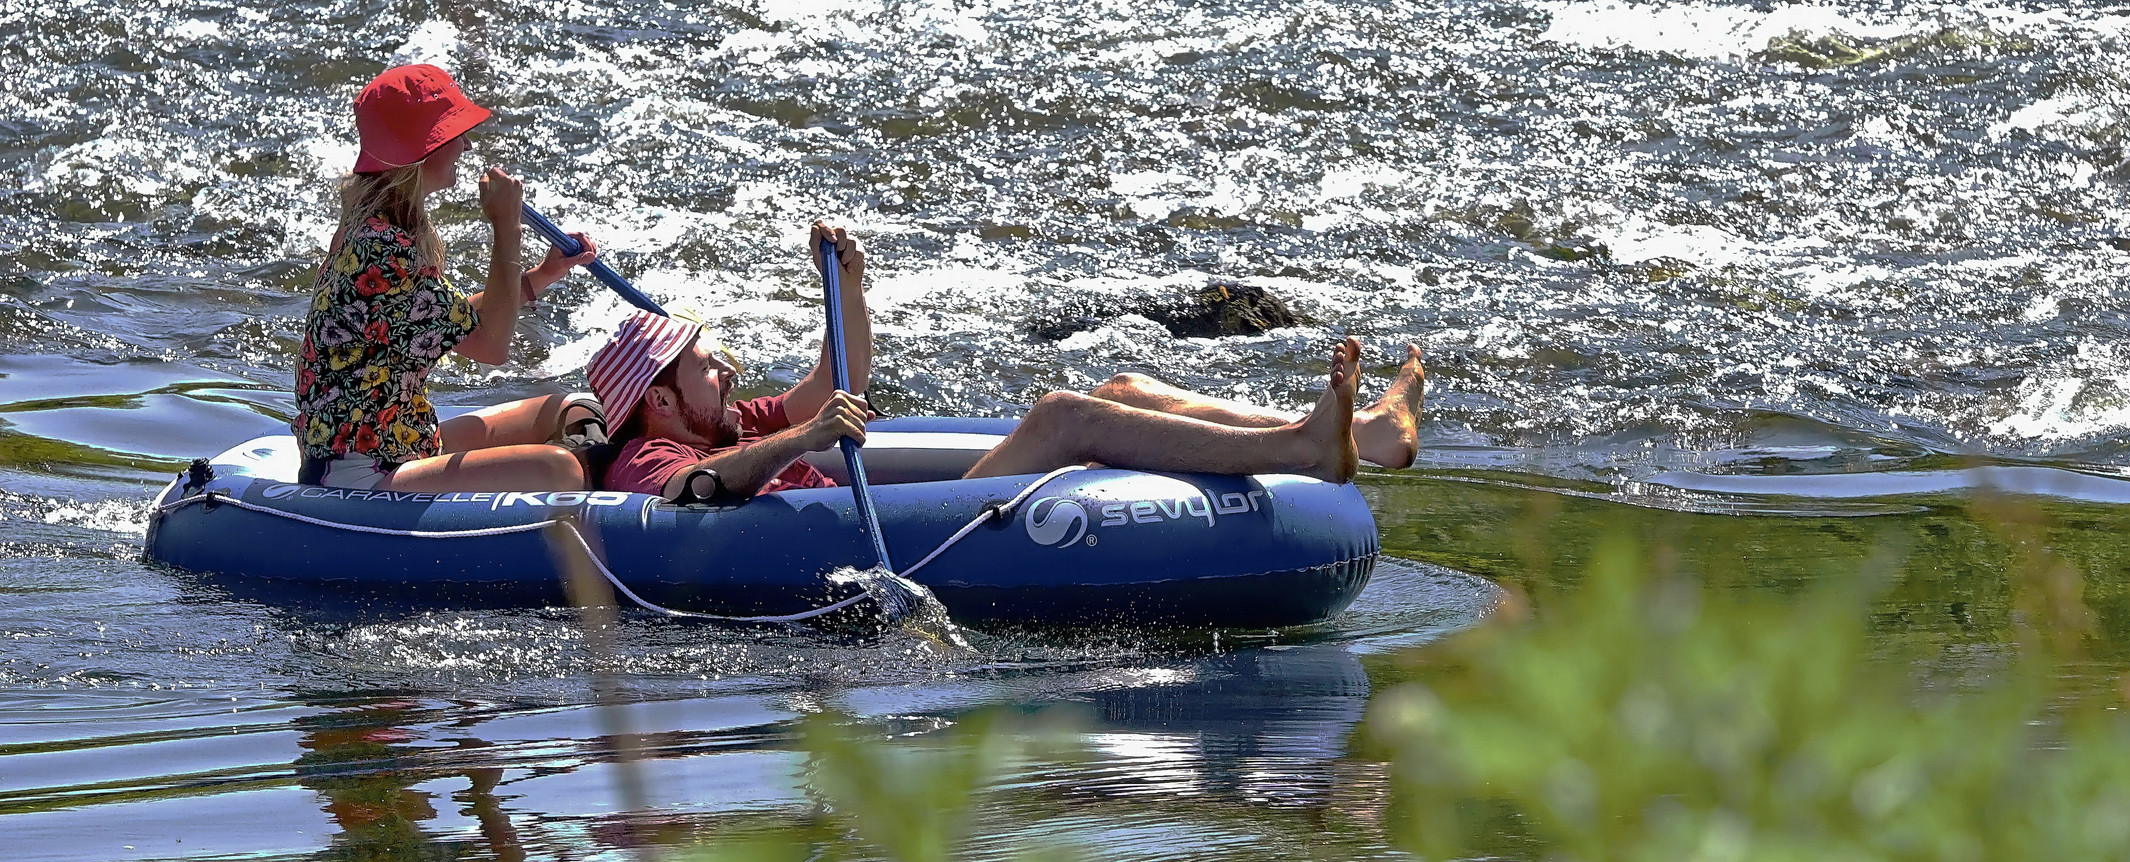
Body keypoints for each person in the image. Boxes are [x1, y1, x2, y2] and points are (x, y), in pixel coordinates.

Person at [585, 224, 1427, 502]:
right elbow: (693, 494)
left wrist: (846, 286)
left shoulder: (722, 421)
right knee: (1064, 416)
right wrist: (798, 436)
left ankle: (1360, 433)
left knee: (1122, 390)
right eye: (705, 366)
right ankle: (1299, 451)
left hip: (904, 515)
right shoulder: (652, 454)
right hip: (921, 542)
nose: (727, 371)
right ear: (660, 399)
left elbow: (832, 386)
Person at [295, 63, 603, 492]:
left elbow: (456, 321)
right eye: (453, 134)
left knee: (570, 407)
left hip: (400, 438)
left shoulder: (378, 225)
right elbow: (492, 345)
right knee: (558, 469)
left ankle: (614, 476)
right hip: (362, 468)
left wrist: (545, 273)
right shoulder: (383, 250)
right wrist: (505, 228)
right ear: (424, 150)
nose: (465, 144)